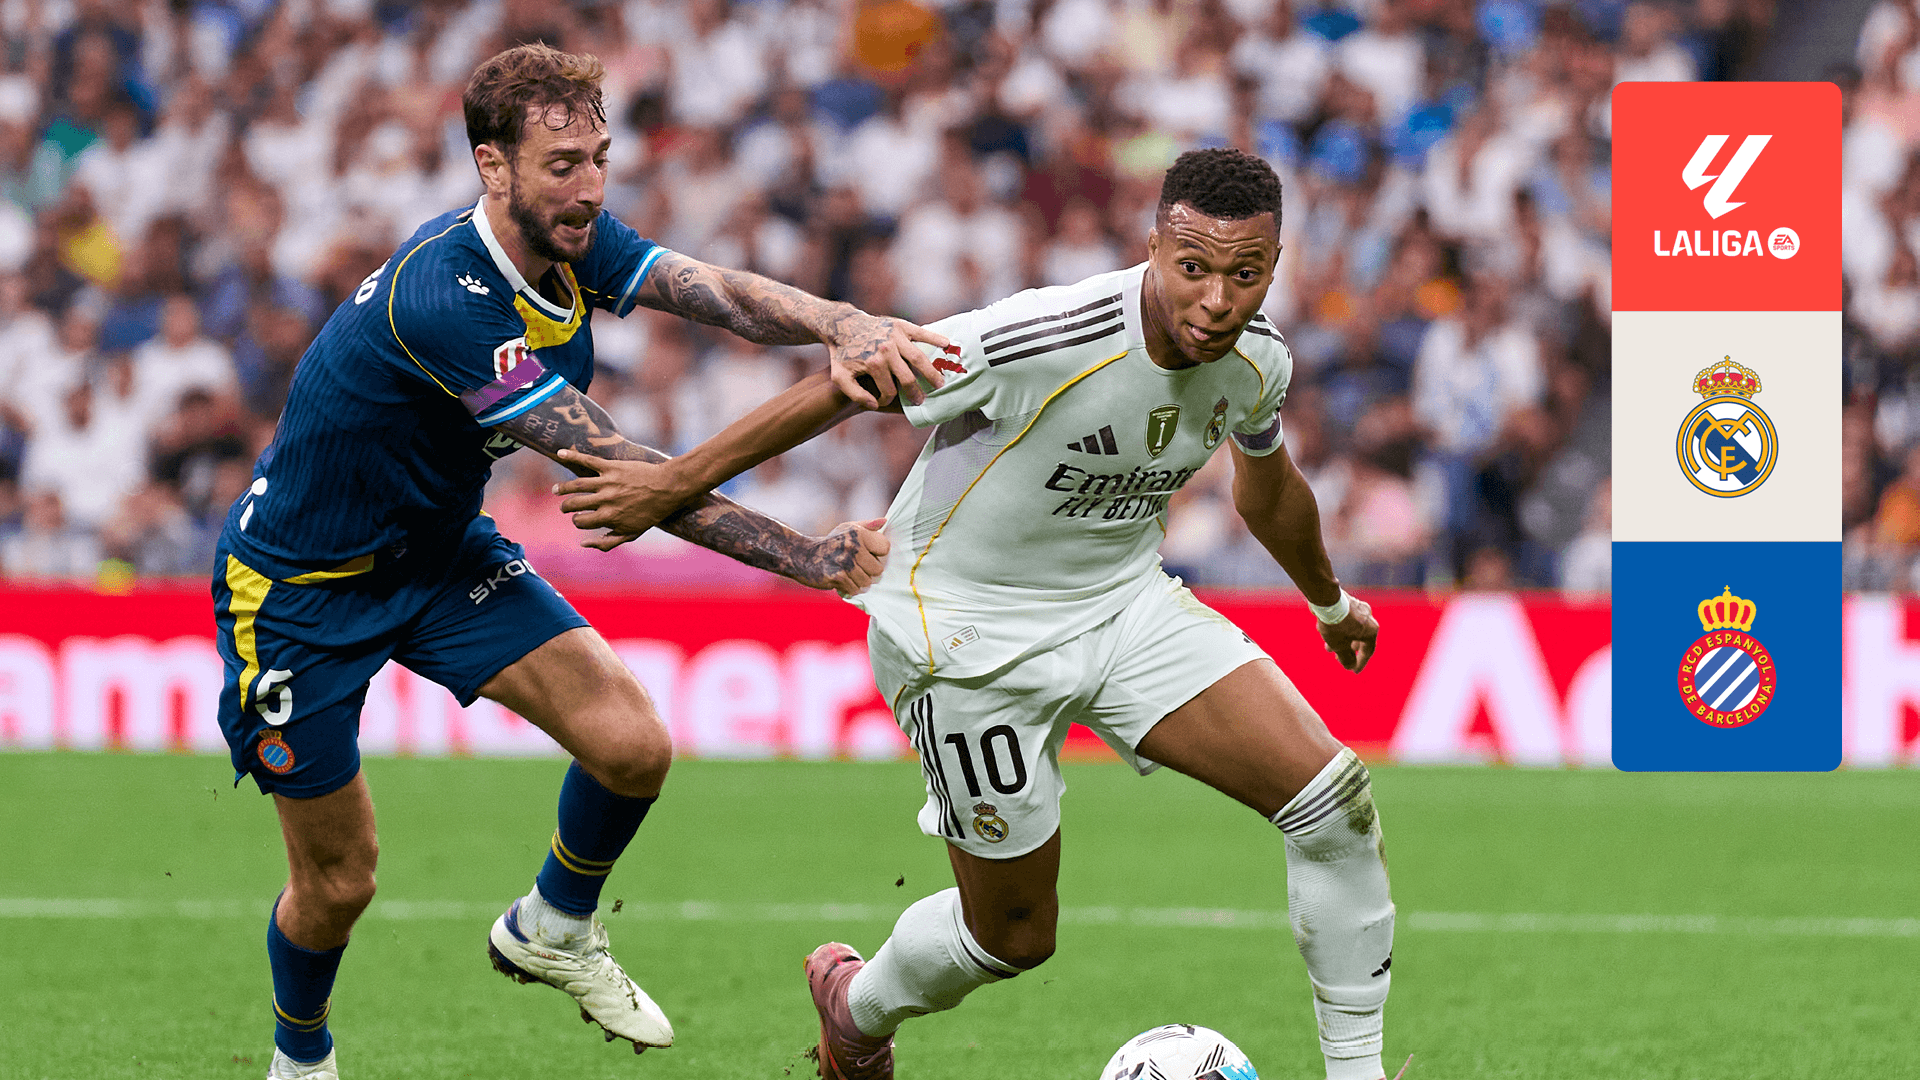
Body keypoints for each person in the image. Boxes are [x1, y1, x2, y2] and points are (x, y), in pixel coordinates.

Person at [553, 149, 1399, 1080]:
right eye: (1193, 267)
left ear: (1274, 268)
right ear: (1153, 244)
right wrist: (670, 484)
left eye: (1246, 275)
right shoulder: (1042, 336)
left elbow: (1268, 489)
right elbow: (848, 383)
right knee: (1014, 935)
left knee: (1333, 804)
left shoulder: (1258, 359)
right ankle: (855, 1009)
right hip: (962, 640)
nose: (1216, 301)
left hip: (1123, 606)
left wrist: (1328, 600)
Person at [208, 44, 946, 1080]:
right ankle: (301, 1060)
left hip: (437, 556)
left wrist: (842, 320)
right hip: (300, 592)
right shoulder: (445, 299)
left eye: (599, 159)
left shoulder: (572, 241)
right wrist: (806, 554)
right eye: (562, 165)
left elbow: (715, 292)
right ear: (492, 166)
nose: (590, 186)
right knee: (341, 883)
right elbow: (628, 473)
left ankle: (552, 925)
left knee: (632, 748)